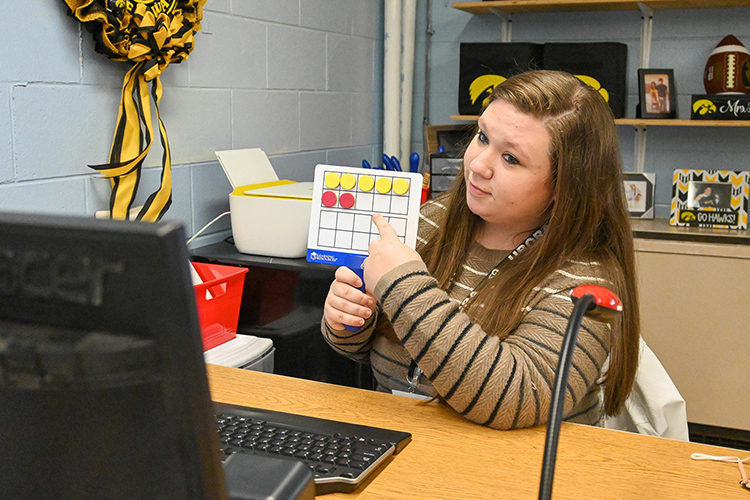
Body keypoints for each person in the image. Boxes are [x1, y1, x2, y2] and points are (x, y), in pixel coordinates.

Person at [321, 70, 640, 430]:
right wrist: (348, 320)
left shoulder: (587, 281)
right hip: (406, 450)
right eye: (483, 137)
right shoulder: (431, 221)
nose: (476, 164)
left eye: (511, 159)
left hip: (517, 474)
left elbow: (519, 399)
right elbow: (366, 350)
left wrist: (404, 286)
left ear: (563, 187)